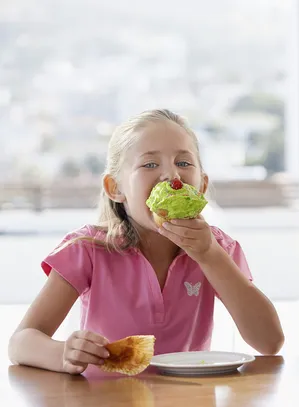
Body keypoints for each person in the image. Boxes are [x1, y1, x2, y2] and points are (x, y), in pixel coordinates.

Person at [8, 109, 285, 374]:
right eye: (150, 164)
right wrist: (63, 354)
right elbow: (21, 342)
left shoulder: (219, 249)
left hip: (186, 398)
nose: (171, 176)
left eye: (184, 163)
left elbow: (269, 342)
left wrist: (209, 255)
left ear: (201, 186)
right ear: (116, 188)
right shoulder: (87, 249)